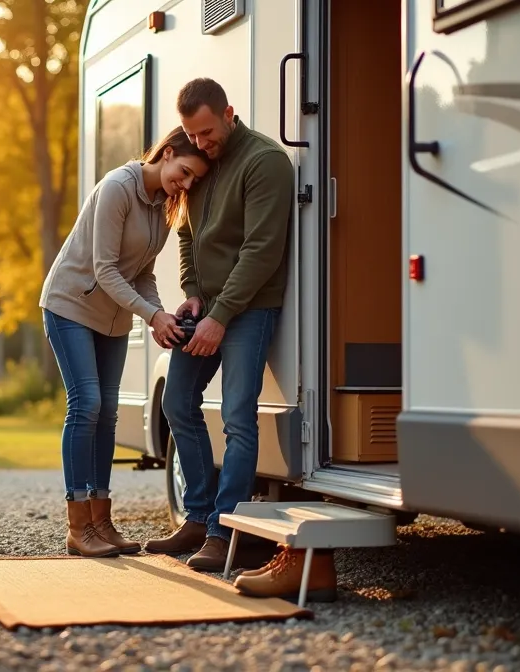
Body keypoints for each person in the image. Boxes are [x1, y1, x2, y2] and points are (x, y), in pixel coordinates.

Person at [143, 78, 296, 574]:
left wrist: (220, 316)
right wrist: (192, 294)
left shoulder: (264, 161)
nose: (201, 143)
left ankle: (227, 528)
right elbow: (186, 235)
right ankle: (199, 515)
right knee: (177, 403)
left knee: (236, 416)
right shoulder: (199, 159)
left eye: (208, 131)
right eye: (193, 134)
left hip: (249, 308)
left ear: (229, 113)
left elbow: (262, 251)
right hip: (207, 306)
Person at [39, 126, 212, 557]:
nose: (186, 184)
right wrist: (151, 315)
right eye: (185, 172)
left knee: (109, 412)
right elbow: (104, 269)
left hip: (113, 319)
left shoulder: (163, 207)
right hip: (71, 306)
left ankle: (101, 522)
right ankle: (79, 526)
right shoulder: (118, 187)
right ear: (167, 153)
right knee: (87, 404)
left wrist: (163, 314)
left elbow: (143, 274)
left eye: (194, 180)